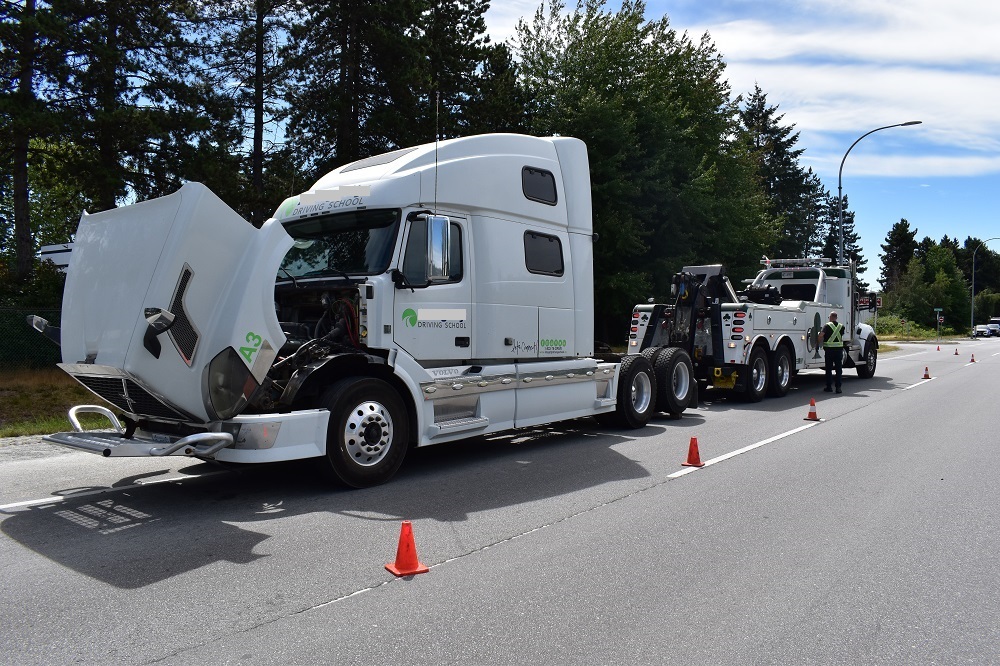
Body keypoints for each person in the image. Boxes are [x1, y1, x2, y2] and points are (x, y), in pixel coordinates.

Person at [817, 311, 845, 393]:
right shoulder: (841, 326)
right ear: (836, 318)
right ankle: (838, 388)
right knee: (838, 369)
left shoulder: (827, 326)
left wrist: (817, 343)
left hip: (829, 350)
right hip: (839, 351)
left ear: (830, 317)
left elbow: (821, 335)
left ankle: (829, 387)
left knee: (829, 369)